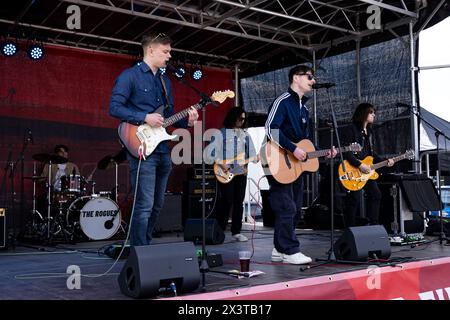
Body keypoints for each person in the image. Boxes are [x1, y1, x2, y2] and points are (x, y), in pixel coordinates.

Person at [109, 32, 198, 246]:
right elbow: (114, 108)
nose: (169, 56)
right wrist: (144, 117)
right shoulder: (130, 76)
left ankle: (145, 245)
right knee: (145, 203)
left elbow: (167, 118)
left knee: (158, 203)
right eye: (165, 51)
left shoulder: (165, 81)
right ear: (150, 50)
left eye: (170, 52)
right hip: (141, 146)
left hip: (162, 148)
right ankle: (139, 251)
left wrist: (188, 122)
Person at [265, 65, 337, 265]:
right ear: (296, 78)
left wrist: (323, 152)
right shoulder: (283, 101)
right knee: (286, 206)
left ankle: (279, 249)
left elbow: (305, 143)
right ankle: (289, 250)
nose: (313, 81)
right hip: (277, 159)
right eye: (310, 77)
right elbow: (271, 130)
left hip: (294, 165)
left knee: (295, 208)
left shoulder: (304, 108)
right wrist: (291, 149)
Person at [207, 107, 258, 242]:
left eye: (244, 119)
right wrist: (221, 163)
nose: (242, 121)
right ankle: (219, 230)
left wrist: (257, 158)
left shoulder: (246, 135)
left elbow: (252, 154)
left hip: (241, 172)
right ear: (233, 117)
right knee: (226, 200)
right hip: (225, 171)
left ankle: (236, 231)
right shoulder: (221, 133)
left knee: (239, 201)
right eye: (240, 118)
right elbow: (209, 154)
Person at [342, 103, 394, 227]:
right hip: (353, 168)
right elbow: (347, 153)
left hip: (366, 171)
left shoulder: (369, 131)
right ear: (364, 113)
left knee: (376, 194)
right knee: (353, 200)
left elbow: (371, 153)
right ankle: (350, 229)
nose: (374, 115)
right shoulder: (351, 129)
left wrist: (385, 161)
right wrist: (359, 165)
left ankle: (373, 224)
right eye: (371, 112)